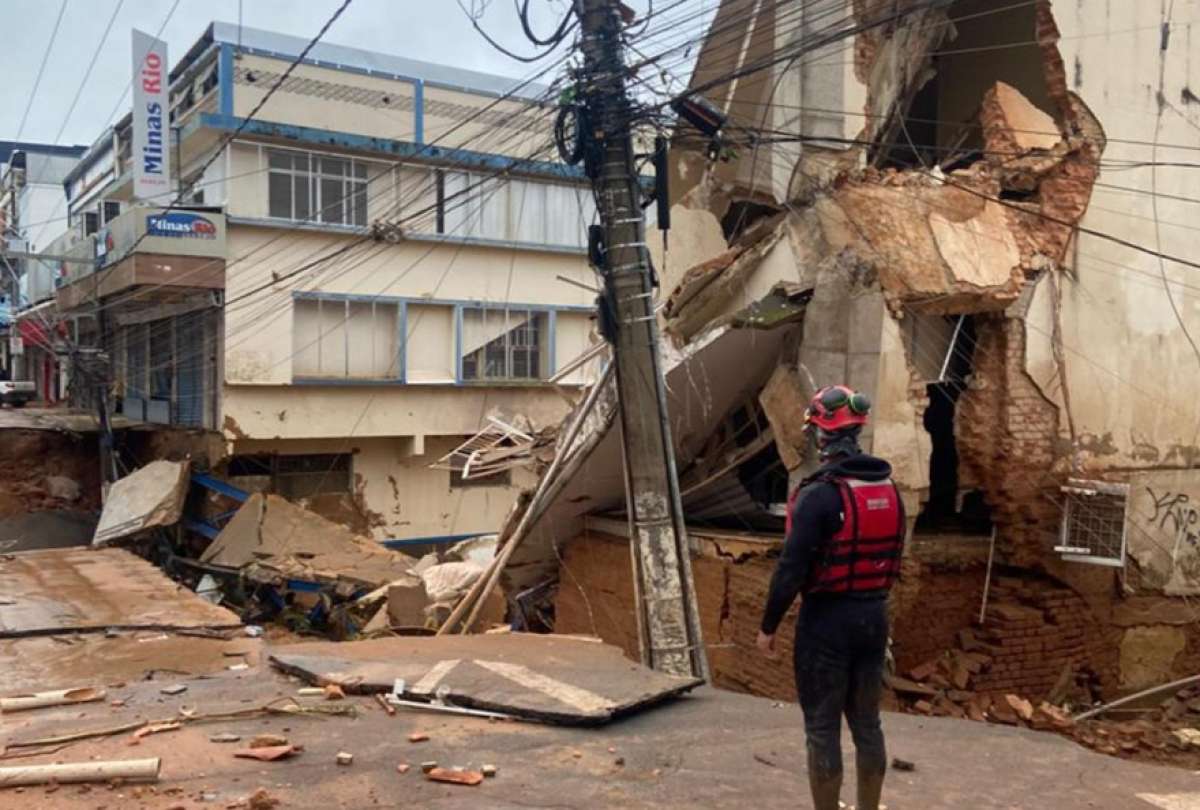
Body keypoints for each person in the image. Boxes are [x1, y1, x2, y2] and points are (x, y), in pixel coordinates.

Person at [757, 384, 905, 810]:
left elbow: (791, 569)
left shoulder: (819, 494)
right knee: (867, 724)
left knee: (822, 729)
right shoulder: (889, 491)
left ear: (820, 435)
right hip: (874, 618)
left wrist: (768, 627)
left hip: (826, 623)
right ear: (857, 431)